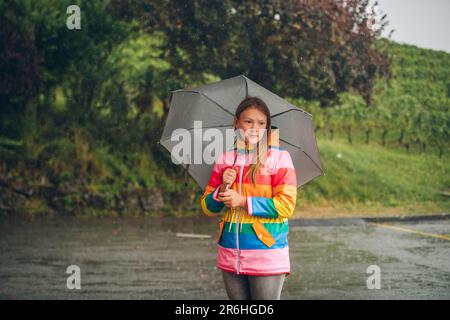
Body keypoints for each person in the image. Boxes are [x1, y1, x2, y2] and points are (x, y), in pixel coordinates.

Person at [200, 96, 298, 300]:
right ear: (236, 123)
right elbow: (208, 207)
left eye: (261, 123)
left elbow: (286, 206)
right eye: (248, 121)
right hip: (229, 252)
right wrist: (222, 188)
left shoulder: (279, 157)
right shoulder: (225, 158)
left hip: (266, 252)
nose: (255, 128)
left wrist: (243, 201)